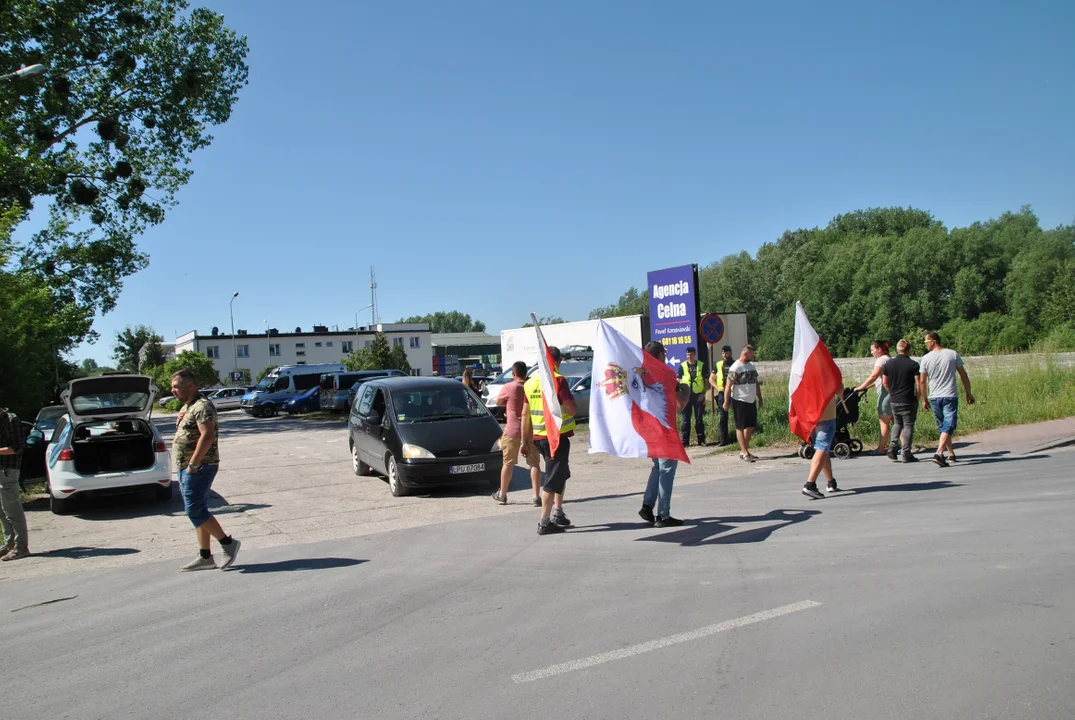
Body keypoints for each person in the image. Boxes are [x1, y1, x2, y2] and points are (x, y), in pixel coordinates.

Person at [171, 369, 241, 571]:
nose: (173, 391)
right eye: (172, 387)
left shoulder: (202, 406)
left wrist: (193, 464)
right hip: (187, 467)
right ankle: (205, 556)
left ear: (190, 385)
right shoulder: (188, 406)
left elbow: (207, 435)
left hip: (200, 467)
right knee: (198, 511)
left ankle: (228, 543)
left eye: (177, 387)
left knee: (195, 510)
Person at [523, 346, 577, 535]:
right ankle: (544, 522)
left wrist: (524, 441)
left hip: (539, 437)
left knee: (560, 474)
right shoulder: (558, 380)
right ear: (558, 361)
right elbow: (571, 409)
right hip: (556, 438)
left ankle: (558, 512)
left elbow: (525, 414)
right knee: (553, 480)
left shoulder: (529, 383)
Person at [639, 342, 692, 527]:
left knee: (658, 468)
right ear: (660, 355)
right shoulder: (666, 374)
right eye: (664, 353)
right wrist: (683, 389)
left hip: (649, 430)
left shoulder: (641, 373)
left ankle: (647, 505)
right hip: (664, 429)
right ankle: (663, 515)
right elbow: (680, 405)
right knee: (667, 470)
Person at [920, 332, 975, 467]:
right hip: (947, 395)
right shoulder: (952, 354)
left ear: (933, 342)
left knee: (945, 425)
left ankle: (948, 453)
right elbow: (963, 374)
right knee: (947, 425)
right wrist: (968, 392)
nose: (926, 345)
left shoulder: (927, 358)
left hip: (938, 396)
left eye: (926, 342)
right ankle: (941, 453)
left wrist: (924, 398)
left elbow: (922, 381)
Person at [493, 361, 542, 507]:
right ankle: (536, 496)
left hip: (512, 430)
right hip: (531, 430)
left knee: (508, 463)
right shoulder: (531, 386)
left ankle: (502, 494)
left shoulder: (509, 387)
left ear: (513, 374)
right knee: (534, 464)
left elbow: (498, 401)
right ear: (526, 373)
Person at [883, 339, 925, 463]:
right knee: (908, 425)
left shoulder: (889, 364)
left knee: (897, 423)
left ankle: (892, 446)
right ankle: (906, 452)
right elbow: (918, 384)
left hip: (895, 399)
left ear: (897, 349)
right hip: (908, 399)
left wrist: (892, 392)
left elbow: (885, 382)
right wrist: (917, 398)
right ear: (908, 350)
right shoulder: (913, 364)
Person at [723, 345, 762, 462]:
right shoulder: (735, 367)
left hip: (751, 400)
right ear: (745, 354)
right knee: (740, 426)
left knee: (750, 425)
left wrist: (760, 398)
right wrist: (726, 401)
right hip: (739, 400)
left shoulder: (751, 366)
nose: (753, 356)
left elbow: (756, 383)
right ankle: (744, 451)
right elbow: (728, 386)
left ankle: (744, 449)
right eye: (751, 354)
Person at [853, 340, 894, 455]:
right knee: (896, 422)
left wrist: (861, 387)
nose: (871, 352)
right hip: (894, 395)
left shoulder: (881, 360)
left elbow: (874, 376)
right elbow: (881, 379)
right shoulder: (890, 359)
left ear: (879, 349)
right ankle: (900, 446)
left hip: (885, 396)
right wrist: (869, 386)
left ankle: (881, 449)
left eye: (873, 350)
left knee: (884, 422)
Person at [0, 405, 30, 561]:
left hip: (8, 470)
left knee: (12, 511)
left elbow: (17, 448)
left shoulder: (11, 419)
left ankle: (21, 546)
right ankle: (9, 544)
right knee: (2, 511)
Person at [801, 394, 841, 498]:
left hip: (810, 413)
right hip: (826, 412)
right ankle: (810, 484)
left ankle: (831, 481)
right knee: (822, 447)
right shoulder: (827, 376)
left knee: (823, 449)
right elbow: (838, 388)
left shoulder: (804, 376)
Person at [677, 346, 708, 447]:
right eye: (688, 355)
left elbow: (706, 382)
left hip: (698, 395)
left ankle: (701, 440)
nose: (689, 356)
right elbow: (678, 382)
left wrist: (703, 394)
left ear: (695, 354)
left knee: (699, 419)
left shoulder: (701, 365)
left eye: (691, 354)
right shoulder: (682, 366)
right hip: (686, 396)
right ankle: (685, 441)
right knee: (686, 420)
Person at [708, 345, 735, 446]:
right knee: (723, 417)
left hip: (734, 393)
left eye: (727, 353)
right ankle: (724, 440)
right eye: (723, 353)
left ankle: (739, 438)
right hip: (722, 393)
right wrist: (717, 388)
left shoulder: (735, 363)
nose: (725, 355)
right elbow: (711, 379)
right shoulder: (719, 364)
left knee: (738, 415)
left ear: (731, 353)